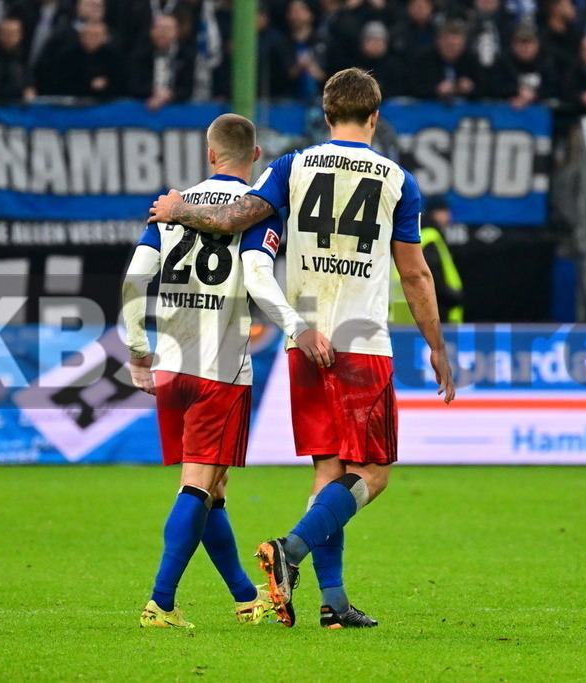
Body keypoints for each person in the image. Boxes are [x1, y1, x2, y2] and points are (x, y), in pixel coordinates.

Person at [149, 68, 457, 629]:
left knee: (329, 470)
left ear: (325, 112)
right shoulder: (396, 180)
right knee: (375, 473)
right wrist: (436, 344)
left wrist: (179, 212)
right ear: (375, 117)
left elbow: (234, 218)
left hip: (305, 342)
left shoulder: (293, 166)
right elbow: (414, 275)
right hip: (362, 344)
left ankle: (333, 604)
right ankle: (289, 550)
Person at [125, 114, 335, 628]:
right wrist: (295, 327)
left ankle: (245, 597)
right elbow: (260, 282)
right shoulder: (256, 213)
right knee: (197, 484)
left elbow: (135, 279)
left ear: (209, 153)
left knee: (213, 490)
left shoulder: (170, 206)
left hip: (172, 366)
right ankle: (161, 602)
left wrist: (137, 349)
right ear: (256, 155)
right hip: (219, 367)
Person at [390, 196, 464, 324]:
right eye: (446, 211)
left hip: (402, 310)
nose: (449, 217)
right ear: (437, 213)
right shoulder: (430, 237)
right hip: (428, 314)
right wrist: (453, 298)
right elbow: (429, 275)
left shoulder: (411, 234)